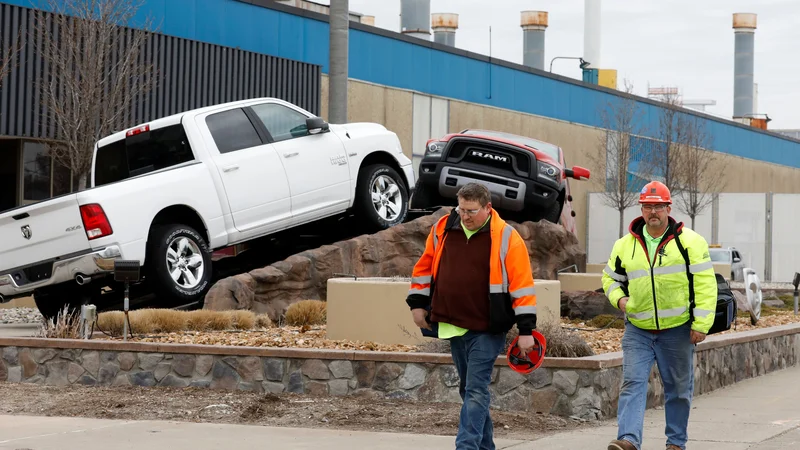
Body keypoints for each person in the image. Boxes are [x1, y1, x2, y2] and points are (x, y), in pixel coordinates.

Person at [406, 182, 537, 450]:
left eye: (471, 211)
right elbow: (424, 267)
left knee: (476, 390)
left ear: (488, 208)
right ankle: (486, 446)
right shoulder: (443, 227)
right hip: (453, 324)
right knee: (469, 391)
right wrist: (417, 304)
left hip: (487, 328)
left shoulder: (506, 237)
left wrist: (526, 331)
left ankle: (465, 446)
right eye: (461, 209)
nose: (465, 216)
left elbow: (522, 286)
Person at [602, 181, 717, 450]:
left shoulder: (689, 242)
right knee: (632, 383)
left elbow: (705, 285)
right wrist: (619, 299)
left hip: (677, 330)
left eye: (658, 206)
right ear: (641, 209)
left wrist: (701, 324)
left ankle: (675, 444)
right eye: (647, 206)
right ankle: (628, 440)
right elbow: (609, 279)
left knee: (678, 391)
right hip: (638, 329)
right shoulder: (623, 245)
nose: (653, 211)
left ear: (668, 208)